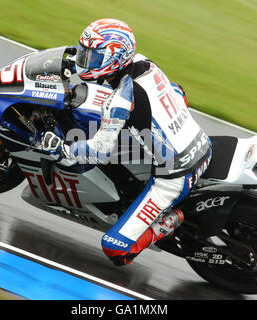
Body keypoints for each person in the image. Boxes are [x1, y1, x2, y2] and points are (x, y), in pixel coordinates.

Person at [41, 18, 212, 266]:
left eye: (94, 57)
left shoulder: (120, 100)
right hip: (201, 142)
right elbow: (178, 93)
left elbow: (98, 153)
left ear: (115, 57)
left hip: (175, 175)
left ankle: (169, 221)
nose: (85, 62)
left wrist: (62, 148)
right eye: (85, 53)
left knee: (116, 249)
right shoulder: (146, 64)